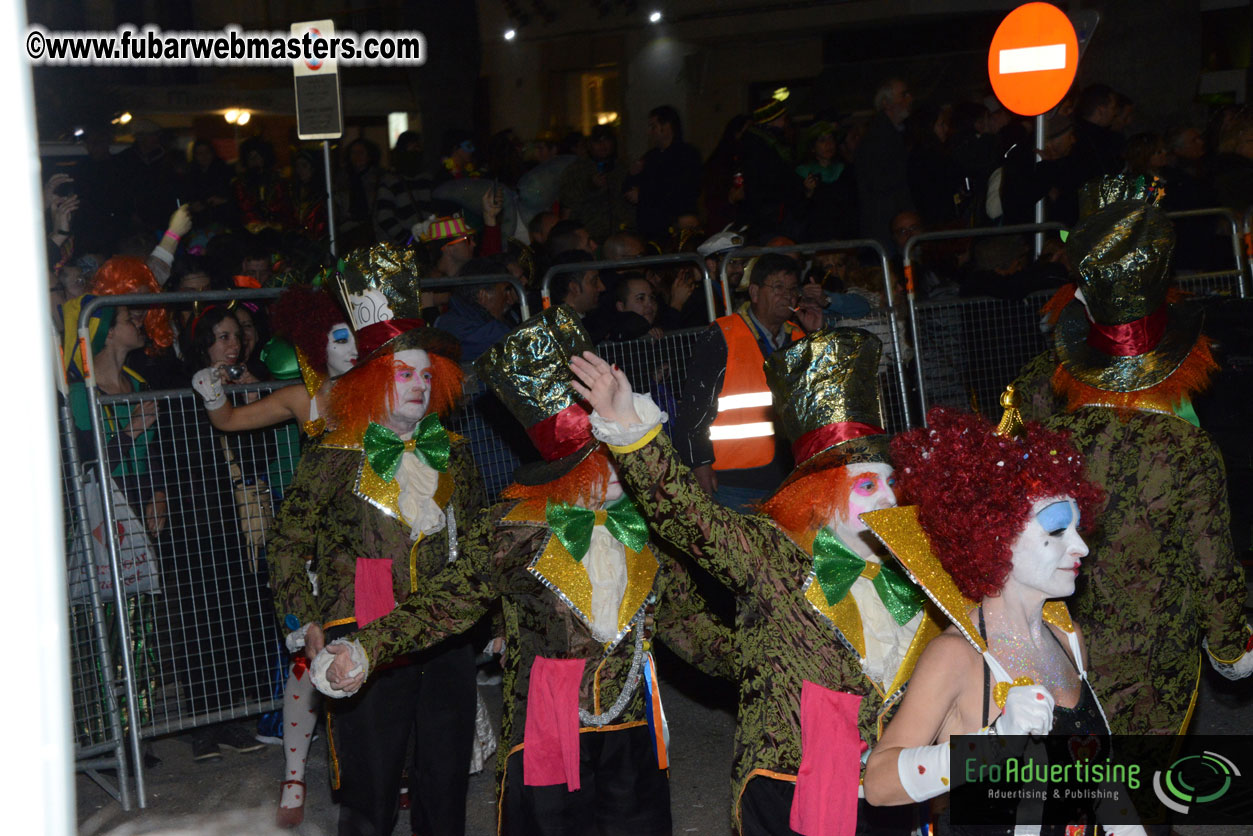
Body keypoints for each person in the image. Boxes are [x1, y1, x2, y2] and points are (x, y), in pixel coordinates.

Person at [313, 306, 734, 836]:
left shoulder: (647, 524)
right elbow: (445, 602)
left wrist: (765, 660)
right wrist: (366, 646)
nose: (630, 462)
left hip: (633, 723)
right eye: (613, 450)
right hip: (548, 726)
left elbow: (685, 623)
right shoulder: (514, 530)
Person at [570, 328, 943, 836]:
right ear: (818, 493)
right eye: (866, 484)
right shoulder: (772, 555)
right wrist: (631, 430)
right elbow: (691, 517)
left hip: (892, 790)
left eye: (891, 483)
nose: (885, 499)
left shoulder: (913, 566)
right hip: (790, 791)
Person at [268, 263, 487, 836]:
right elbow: (288, 539)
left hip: (445, 632)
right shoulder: (334, 452)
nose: (417, 385)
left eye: (424, 374)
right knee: (372, 786)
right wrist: (305, 620)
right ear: (369, 381)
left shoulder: (455, 451)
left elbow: (481, 542)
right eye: (401, 373)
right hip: (361, 627)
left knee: (444, 783)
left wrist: (495, 619)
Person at [859, 402, 1148, 836]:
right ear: (994, 537)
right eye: (1055, 531)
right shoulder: (956, 657)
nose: (1081, 547)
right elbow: (877, 784)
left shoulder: (1067, 638)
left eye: (1077, 528)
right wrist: (993, 743)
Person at [1039, 176, 1253, 734]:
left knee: (1077, 796)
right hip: (1154, 666)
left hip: (1064, 653)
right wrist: (1232, 646)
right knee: (1143, 801)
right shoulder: (1187, 449)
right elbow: (1212, 565)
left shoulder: (1052, 437)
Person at [672, 253, 820, 510]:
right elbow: (695, 407)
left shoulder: (800, 337)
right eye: (778, 287)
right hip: (733, 481)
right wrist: (698, 462)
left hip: (792, 475)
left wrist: (817, 337)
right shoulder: (723, 334)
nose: (787, 296)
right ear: (754, 291)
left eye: (792, 289)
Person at [627, 105, 703, 242]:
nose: (650, 132)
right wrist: (633, 176)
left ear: (667, 126)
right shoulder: (650, 157)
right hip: (651, 228)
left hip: (675, 225)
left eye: (653, 126)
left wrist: (644, 194)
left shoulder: (686, 155)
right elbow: (631, 186)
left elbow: (680, 188)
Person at [857, 78, 915, 248]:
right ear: (886, 103)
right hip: (887, 223)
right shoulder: (879, 138)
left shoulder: (890, 134)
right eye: (903, 95)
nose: (909, 99)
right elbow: (882, 183)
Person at [434, 257, 514, 362]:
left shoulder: (445, 320)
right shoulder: (490, 335)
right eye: (505, 291)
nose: (509, 299)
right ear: (483, 295)